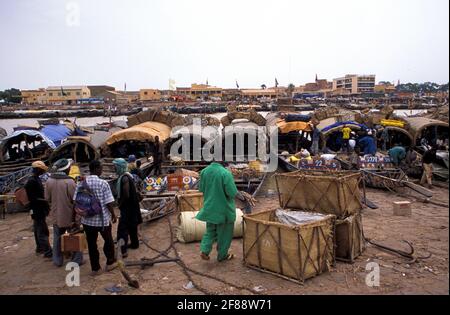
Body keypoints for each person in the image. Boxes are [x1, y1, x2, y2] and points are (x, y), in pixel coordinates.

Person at [75, 160, 117, 276]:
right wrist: (113, 214)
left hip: (87, 220)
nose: (102, 170)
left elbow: (76, 200)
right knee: (108, 241)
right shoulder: (103, 183)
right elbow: (109, 202)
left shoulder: (81, 183)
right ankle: (110, 262)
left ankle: (95, 268)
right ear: (97, 169)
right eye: (101, 168)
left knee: (92, 244)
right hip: (102, 219)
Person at [196, 162, 238, 262]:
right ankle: (222, 256)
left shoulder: (204, 172)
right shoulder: (225, 173)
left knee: (210, 232)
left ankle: (204, 250)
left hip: (209, 208)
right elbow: (232, 192)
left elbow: (201, 189)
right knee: (225, 234)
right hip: (224, 211)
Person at [45, 159, 83, 267]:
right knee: (74, 235)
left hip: (56, 214)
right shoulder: (69, 182)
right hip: (69, 215)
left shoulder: (49, 181)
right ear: (66, 169)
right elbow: (76, 200)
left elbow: (47, 198)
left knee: (57, 237)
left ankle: (57, 260)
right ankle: (76, 259)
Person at [113, 158, 143, 258]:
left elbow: (126, 194)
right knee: (132, 225)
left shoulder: (124, 177)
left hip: (127, 206)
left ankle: (123, 250)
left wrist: (120, 204)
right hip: (132, 205)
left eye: (115, 167)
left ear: (119, 167)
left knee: (122, 229)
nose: (114, 169)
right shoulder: (126, 176)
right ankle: (135, 244)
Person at [25, 161, 52, 258]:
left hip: (38, 208)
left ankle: (40, 248)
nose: (43, 172)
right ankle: (48, 251)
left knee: (37, 228)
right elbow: (33, 198)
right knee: (42, 230)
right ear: (37, 169)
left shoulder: (36, 179)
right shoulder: (32, 181)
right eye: (41, 170)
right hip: (37, 208)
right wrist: (45, 201)